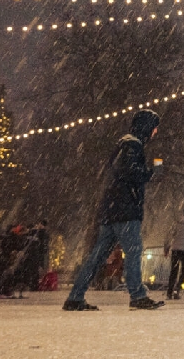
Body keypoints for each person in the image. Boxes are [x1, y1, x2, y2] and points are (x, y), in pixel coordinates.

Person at [63, 109, 164, 311]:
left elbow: (117, 174)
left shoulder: (122, 145)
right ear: (146, 127)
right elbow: (131, 174)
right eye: (154, 128)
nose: (155, 133)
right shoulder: (132, 146)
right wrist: (152, 172)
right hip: (126, 211)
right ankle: (137, 295)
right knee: (133, 252)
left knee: (97, 257)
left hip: (110, 211)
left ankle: (75, 296)